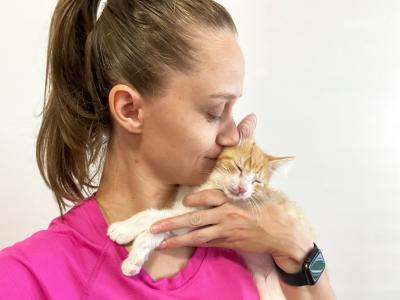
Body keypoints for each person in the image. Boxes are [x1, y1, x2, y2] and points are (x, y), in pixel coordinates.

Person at [0, 0, 336, 299]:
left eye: (235, 110)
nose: (233, 136)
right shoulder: (25, 278)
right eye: (215, 113)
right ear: (130, 110)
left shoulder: (253, 244)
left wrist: (298, 249)